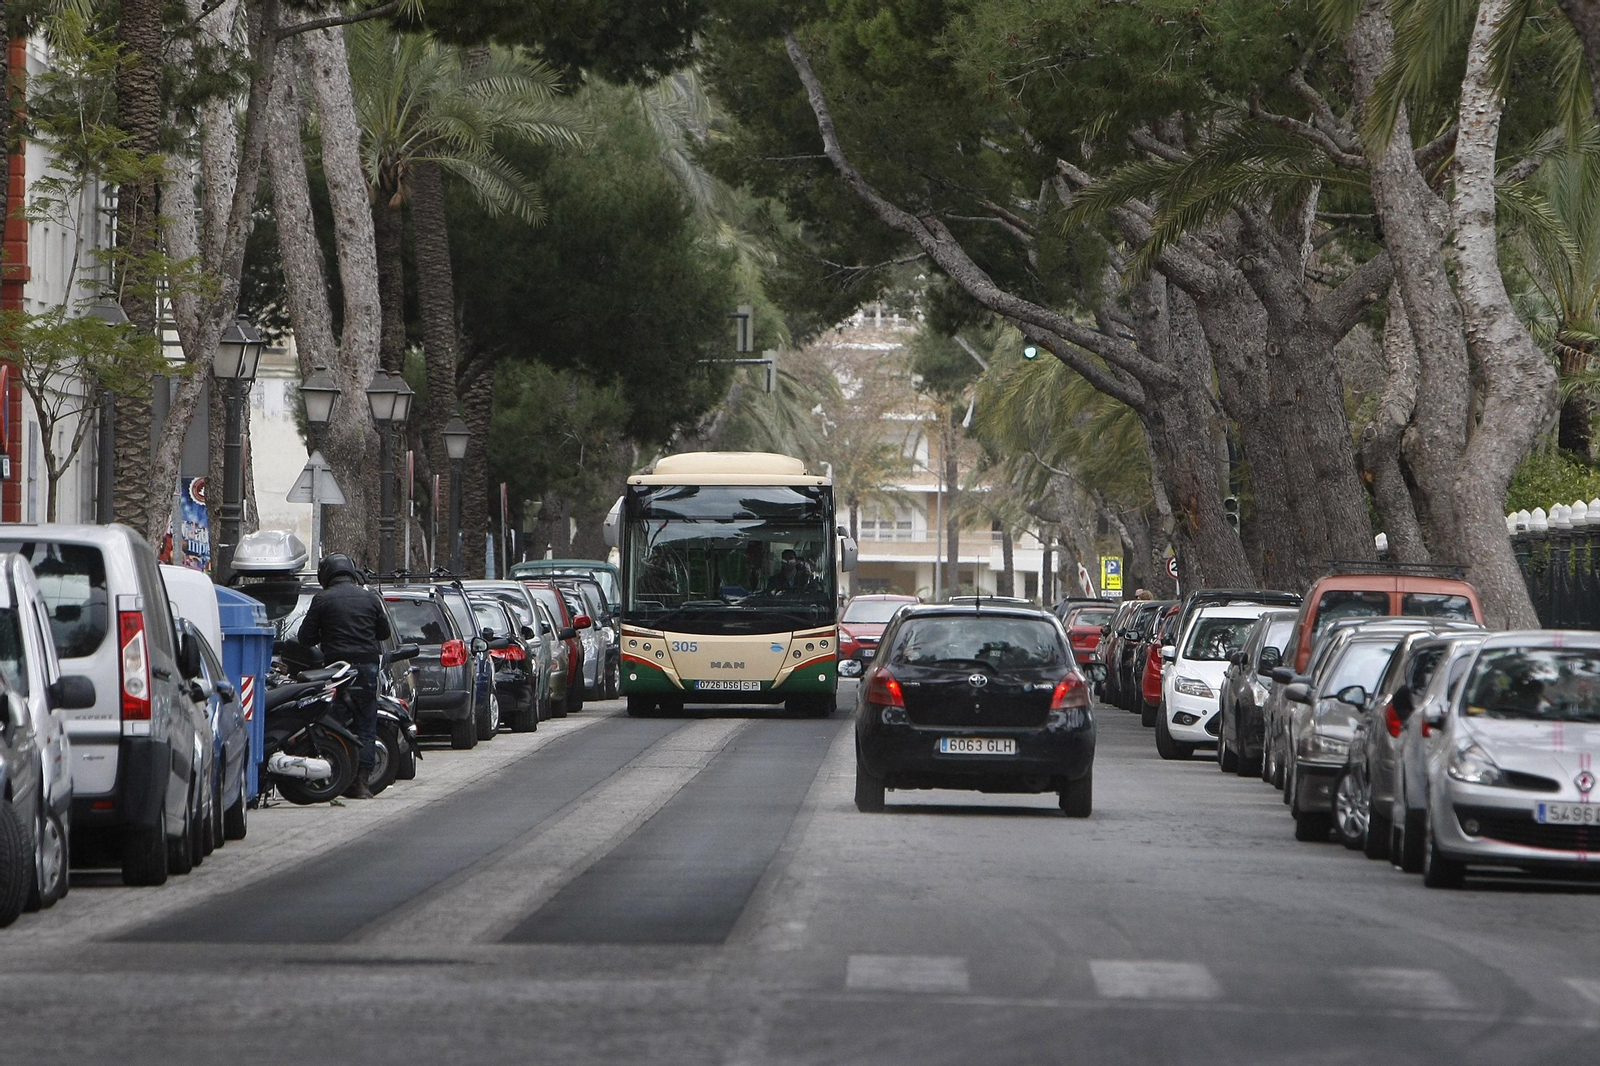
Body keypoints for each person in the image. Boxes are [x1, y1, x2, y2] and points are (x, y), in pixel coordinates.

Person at [297, 554, 390, 800]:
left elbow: (305, 637)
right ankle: (362, 782)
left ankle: (336, 775)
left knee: (332, 723)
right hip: (367, 668)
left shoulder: (322, 599)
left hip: (335, 669)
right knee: (366, 724)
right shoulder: (369, 598)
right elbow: (384, 632)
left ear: (326, 575)